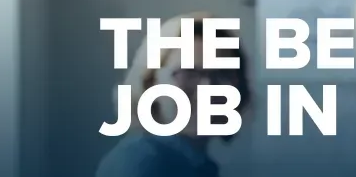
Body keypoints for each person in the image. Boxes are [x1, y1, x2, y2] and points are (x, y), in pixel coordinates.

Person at [96, 12, 251, 177]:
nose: (208, 87)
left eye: (222, 74)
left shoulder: (199, 165)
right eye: (187, 73)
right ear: (151, 82)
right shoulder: (139, 163)